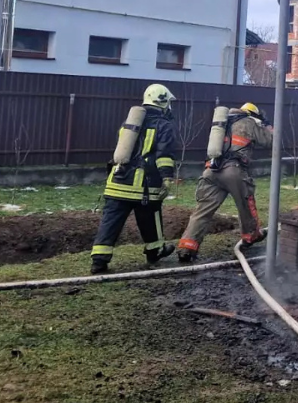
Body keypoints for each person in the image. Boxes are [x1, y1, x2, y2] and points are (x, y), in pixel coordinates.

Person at [89, 84, 181, 275]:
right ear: (162, 101)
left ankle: (99, 260)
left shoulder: (130, 122)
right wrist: (167, 178)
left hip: (117, 182)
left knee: (110, 221)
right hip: (144, 185)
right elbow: (164, 155)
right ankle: (155, 251)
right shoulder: (164, 125)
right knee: (150, 216)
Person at [176, 102, 274, 263]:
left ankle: (187, 247)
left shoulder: (222, 123)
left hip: (211, 170)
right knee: (246, 204)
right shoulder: (248, 122)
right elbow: (271, 141)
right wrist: (268, 125)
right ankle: (251, 236)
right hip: (233, 171)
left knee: (202, 211)